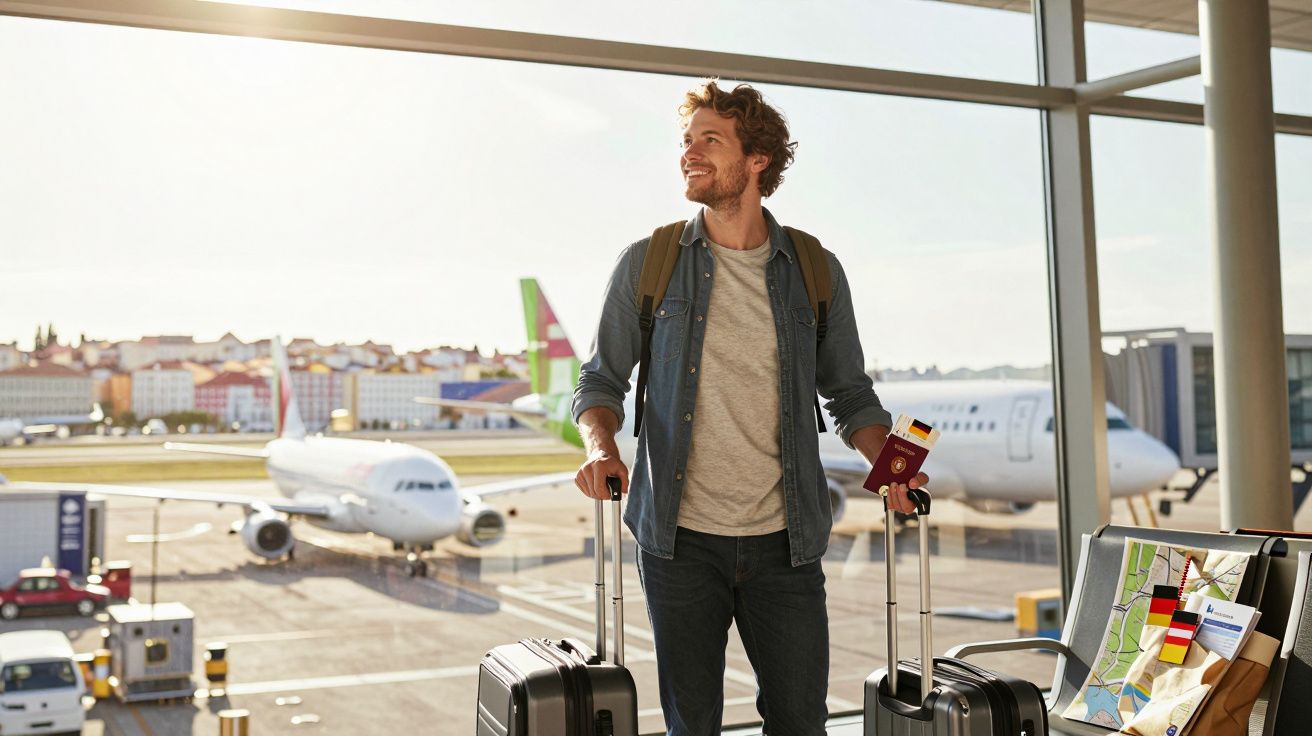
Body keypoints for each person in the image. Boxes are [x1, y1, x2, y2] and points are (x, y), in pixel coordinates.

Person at [571, 79, 929, 736]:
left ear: (757, 158)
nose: (689, 153)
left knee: (800, 723)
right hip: (677, 542)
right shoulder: (648, 264)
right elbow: (600, 381)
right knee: (693, 727)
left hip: (785, 545)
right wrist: (601, 450)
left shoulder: (815, 270)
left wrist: (891, 468)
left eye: (710, 140)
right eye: (686, 141)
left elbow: (849, 394)